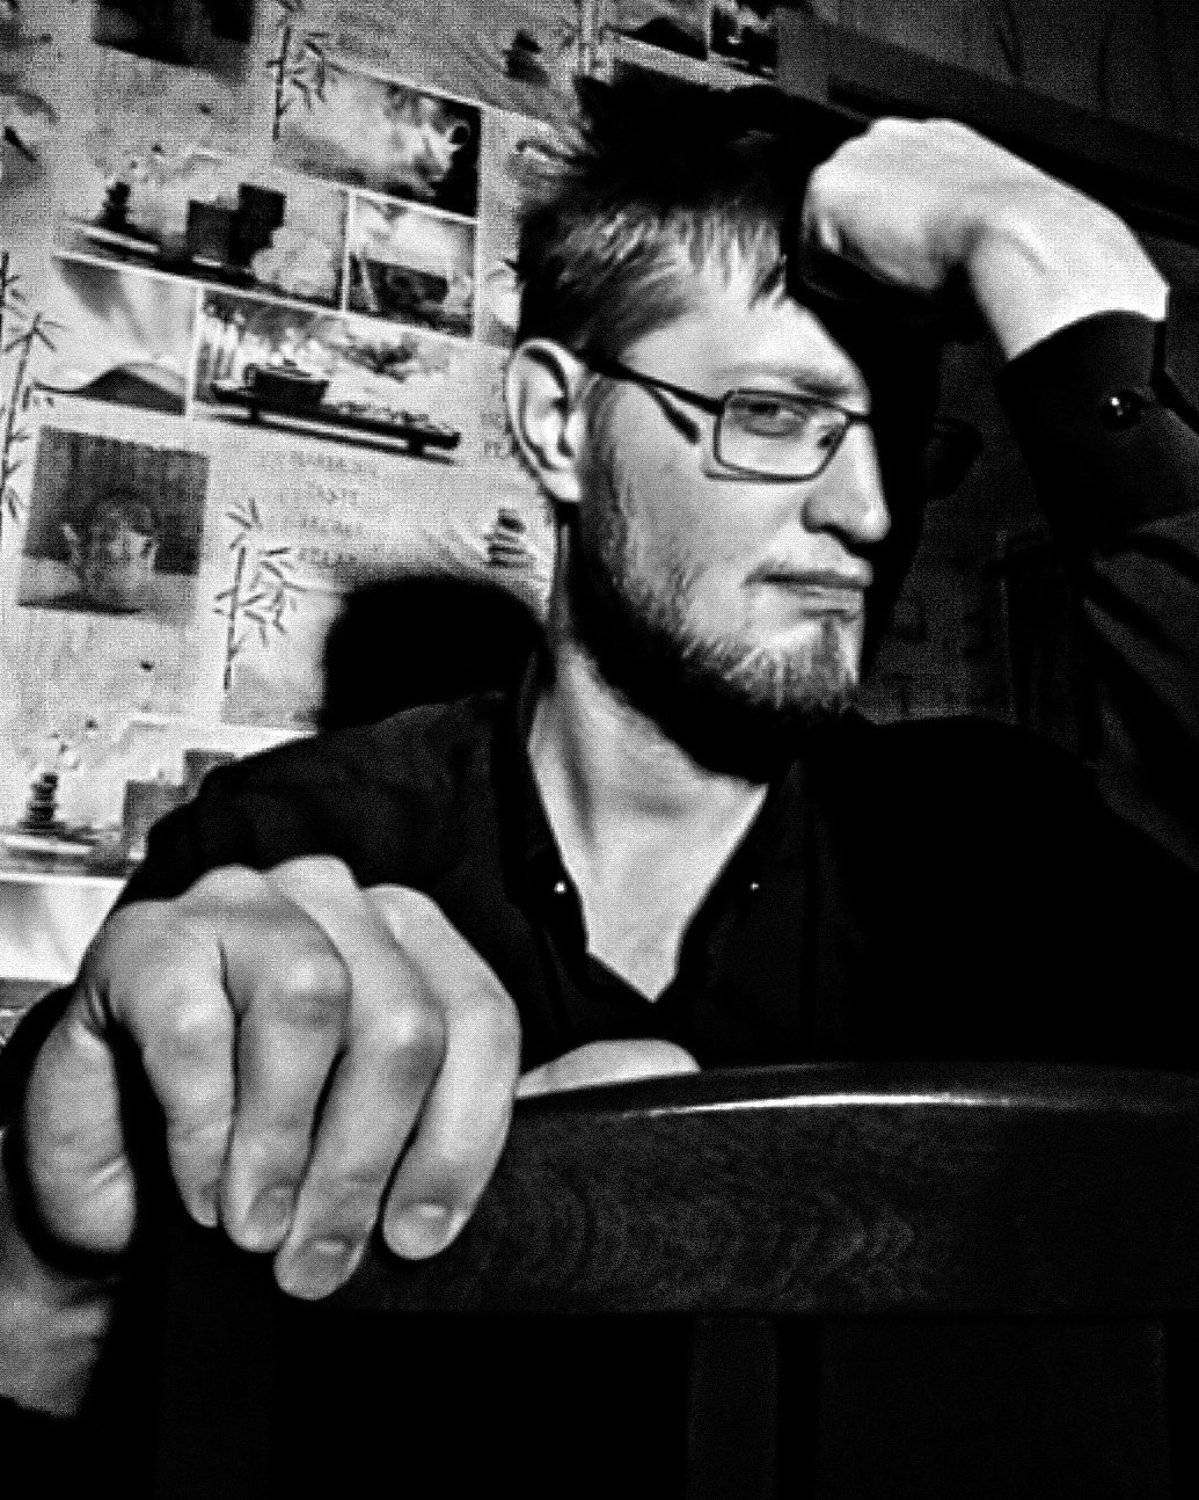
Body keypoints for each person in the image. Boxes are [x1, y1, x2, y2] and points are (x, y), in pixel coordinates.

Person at [1, 75, 1197, 1491]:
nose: (872, 515)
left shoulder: (998, 847)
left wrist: (1060, 269)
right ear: (560, 425)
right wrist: (47, 1256)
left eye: (898, 441)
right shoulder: (288, 845)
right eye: (775, 413)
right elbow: (76, 1388)